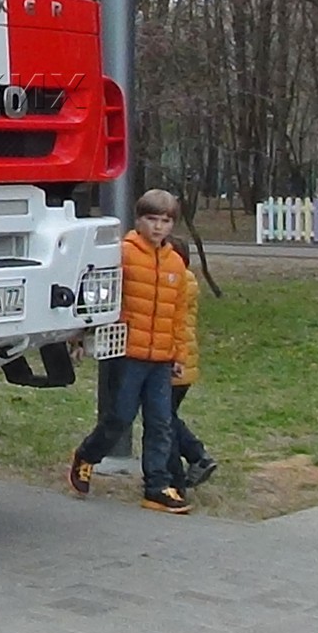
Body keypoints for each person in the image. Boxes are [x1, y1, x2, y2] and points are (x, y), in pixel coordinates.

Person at [69, 189, 193, 514]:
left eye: (165, 221)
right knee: (120, 417)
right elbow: (98, 296)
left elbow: (178, 313)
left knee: (160, 422)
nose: (158, 227)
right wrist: (81, 336)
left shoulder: (175, 263)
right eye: (152, 219)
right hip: (127, 353)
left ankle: (156, 485)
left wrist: (178, 354)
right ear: (138, 220)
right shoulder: (123, 253)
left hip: (161, 358)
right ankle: (87, 455)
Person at [166, 237, 219, 492]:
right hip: (184, 360)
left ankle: (194, 457)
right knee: (166, 415)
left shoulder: (179, 281)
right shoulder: (186, 279)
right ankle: (194, 458)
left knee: (163, 418)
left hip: (174, 360)